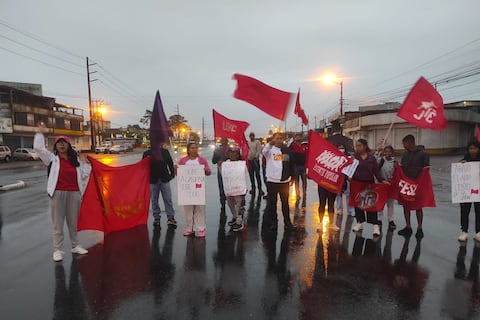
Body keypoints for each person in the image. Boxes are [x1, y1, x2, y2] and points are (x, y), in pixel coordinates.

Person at [34, 123, 91, 262]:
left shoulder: (75, 160)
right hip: (57, 193)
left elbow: (84, 174)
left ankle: (75, 245)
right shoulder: (51, 158)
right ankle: (57, 249)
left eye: (64, 143)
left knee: (73, 222)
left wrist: (86, 163)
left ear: (68, 145)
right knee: (58, 223)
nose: (61, 145)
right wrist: (40, 133)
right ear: (56, 146)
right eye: (59, 143)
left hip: (75, 193)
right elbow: (38, 148)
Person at [351, 138, 386, 237]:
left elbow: (376, 171)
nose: (357, 148)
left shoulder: (371, 158)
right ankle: (359, 222)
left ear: (365, 146)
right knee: (358, 204)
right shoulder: (354, 158)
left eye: (359, 146)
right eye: (356, 146)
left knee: (370, 205)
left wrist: (382, 180)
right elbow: (348, 169)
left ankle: (375, 226)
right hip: (357, 183)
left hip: (369, 184)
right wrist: (349, 176)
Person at [398, 134, 430, 239]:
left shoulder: (423, 154)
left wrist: (420, 181)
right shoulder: (405, 155)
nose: (403, 146)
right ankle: (408, 227)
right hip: (407, 184)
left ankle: (420, 228)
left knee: (418, 207)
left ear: (410, 143)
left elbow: (426, 170)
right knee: (405, 205)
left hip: (418, 184)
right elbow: (402, 168)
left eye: (404, 144)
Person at [262, 132, 295, 231]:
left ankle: (287, 222)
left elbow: (291, 164)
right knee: (272, 204)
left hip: (284, 182)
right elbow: (264, 151)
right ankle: (273, 222)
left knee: (285, 203)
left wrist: (292, 177)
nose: (279, 140)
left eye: (281, 138)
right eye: (277, 138)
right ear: (274, 139)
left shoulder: (287, 150)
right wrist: (269, 144)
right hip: (272, 182)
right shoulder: (269, 151)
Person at [177, 142, 212, 237]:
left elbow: (209, 172)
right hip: (187, 189)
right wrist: (176, 168)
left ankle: (200, 228)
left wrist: (206, 170)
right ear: (188, 149)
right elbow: (178, 174)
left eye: (196, 147)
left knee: (199, 209)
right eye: (192, 148)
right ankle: (189, 228)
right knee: (188, 209)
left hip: (198, 188)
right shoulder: (183, 161)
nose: (194, 149)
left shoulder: (202, 160)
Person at [142, 144, 177, 229]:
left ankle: (170, 217)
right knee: (154, 200)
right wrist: (145, 177)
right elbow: (142, 167)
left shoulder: (165, 152)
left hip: (164, 179)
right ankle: (156, 217)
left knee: (168, 199)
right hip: (153, 180)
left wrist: (172, 174)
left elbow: (170, 163)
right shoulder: (147, 153)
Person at [457, 139, 480, 242]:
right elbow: (459, 172)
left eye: (475, 148)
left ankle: (478, 232)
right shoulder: (465, 160)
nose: (472, 150)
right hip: (466, 191)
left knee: (479, 211)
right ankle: (464, 231)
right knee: (464, 210)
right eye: (470, 148)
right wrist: (460, 164)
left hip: (478, 190)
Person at [223, 148, 247, 232]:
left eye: (235, 153)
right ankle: (235, 217)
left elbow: (245, 174)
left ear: (238, 155)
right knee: (230, 204)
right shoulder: (226, 163)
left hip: (239, 188)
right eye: (231, 153)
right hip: (230, 187)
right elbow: (222, 173)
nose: (233, 155)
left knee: (239, 205)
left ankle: (239, 222)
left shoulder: (241, 164)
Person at [376, 145, 397, 230]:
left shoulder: (394, 162)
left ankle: (390, 219)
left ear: (392, 153)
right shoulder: (380, 160)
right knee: (381, 203)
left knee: (390, 204)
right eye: (386, 151)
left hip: (391, 185)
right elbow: (373, 159)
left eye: (389, 151)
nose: (388, 153)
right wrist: (378, 151)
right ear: (384, 152)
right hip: (381, 185)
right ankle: (379, 219)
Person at [335, 143, 355, 217]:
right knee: (338, 195)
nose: (341, 149)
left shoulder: (349, 157)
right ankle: (339, 210)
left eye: (342, 148)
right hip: (338, 178)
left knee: (348, 195)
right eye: (339, 148)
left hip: (346, 179)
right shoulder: (335, 157)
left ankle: (350, 210)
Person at [212, 137, 231, 209]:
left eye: (225, 140)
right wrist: (217, 159)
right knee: (221, 186)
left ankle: (230, 201)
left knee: (229, 186)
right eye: (222, 140)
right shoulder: (217, 150)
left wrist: (226, 159)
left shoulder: (230, 150)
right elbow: (213, 161)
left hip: (229, 171)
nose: (224, 142)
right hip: (220, 171)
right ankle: (222, 202)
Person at [289, 133, 307, 201]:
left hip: (303, 166)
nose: (298, 138)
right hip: (296, 166)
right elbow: (288, 149)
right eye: (297, 137)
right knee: (297, 181)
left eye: (300, 137)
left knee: (304, 181)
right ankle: (297, 194)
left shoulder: (304, 146)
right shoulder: (293, 146)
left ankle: (304, 192)